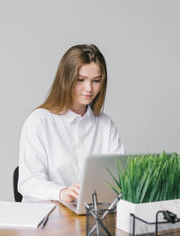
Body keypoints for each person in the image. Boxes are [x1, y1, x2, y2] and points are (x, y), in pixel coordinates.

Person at [18, 44, 125, 202]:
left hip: (92, 215)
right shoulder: (39, 121)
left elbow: (119, 178)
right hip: (48, 216)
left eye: (96, 81)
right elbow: (28, 183)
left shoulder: (105, 125)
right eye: (80, 80)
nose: (89, 88)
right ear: (65, 79)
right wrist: (61, 192)